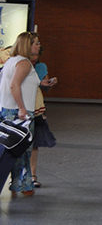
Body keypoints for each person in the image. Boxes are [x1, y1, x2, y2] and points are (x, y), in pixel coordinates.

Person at [0, 32, 53, 196]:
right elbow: (14, 86)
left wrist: (45, 83)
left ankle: (20, 184)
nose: (39, 46)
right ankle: (22, 184)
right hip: (19, 113)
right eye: (36, 43)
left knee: (14, 150)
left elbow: (25, 83)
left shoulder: (13, 61)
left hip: (10, 110)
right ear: (27, 45)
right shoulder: (23, 63)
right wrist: (22, 108)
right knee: (21, 150)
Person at [30, 49, 58, 188]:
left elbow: (44, 86)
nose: (35, 57)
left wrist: (49, 83)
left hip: (36, 107)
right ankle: (17, 175)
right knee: (19, 144)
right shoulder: (20, 65)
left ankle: (32, 175)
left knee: (34, 143)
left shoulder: (41, 67)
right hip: (22, 107)